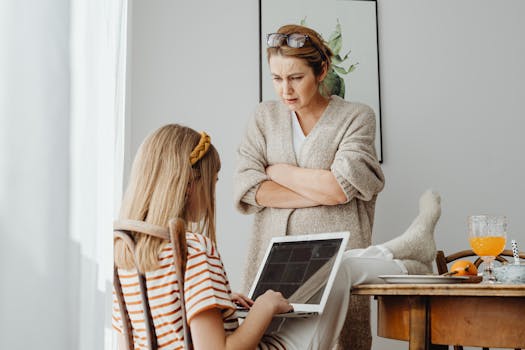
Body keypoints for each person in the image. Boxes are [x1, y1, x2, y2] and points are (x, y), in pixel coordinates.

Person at [113, 124, 442, 350]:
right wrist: (264, 308)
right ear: (188, 185)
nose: (214, 190)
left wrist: (223, 305)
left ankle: (407, 249)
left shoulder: (124, 251)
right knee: (333, 270)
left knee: (330, 268)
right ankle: (410, 260)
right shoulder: (193, 248)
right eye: (213, 181)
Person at [233, 24, 432, 349]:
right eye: (277, 78)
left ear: (322, 70)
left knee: (338, 342)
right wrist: (321, 188)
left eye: (296, 78)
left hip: (332, 258)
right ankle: (410, 249)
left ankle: (409, 256)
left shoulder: (357, 117)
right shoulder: (263, 118)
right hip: (271, 264)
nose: (285, 90)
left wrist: (277, 171)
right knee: (266, 341)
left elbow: (340, 188)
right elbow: (250, 188)